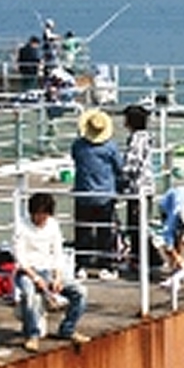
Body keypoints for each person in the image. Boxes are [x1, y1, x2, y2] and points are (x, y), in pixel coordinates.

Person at [13, 192, 89, 352]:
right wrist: (35, 278)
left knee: (80, 292)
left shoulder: (53, 225)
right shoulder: (22, 227)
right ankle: (32, 335)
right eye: (39, 214)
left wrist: (58, 277)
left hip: (48, 270)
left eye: (45, 214)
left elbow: (57, 253)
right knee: (29, 294)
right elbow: (20, 258)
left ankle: (67, 329)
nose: (42, 218)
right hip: (27, 272)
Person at [72, 109, 124, 278]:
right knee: (105, 232)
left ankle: (81, 265)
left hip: (83, 193)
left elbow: (76, 159)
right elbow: (119, 167)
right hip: (105, 195)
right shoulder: (110, 147)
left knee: (83, 231)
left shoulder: (78, 146)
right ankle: (106, 265)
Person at [121, 104, 155, 274]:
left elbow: (132, 165)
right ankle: (147, 258)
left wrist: (121, 178)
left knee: (136, 225)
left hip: (137, 189)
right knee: (141, 225)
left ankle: (142, 259)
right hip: (146, 187)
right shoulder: (146, 137)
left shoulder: (136, 139)